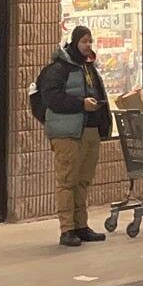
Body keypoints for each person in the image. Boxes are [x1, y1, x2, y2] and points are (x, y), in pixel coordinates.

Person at [40, 25, 113, 246]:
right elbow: (52, 98)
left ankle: (81, 225)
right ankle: (67, 229)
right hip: (68, 133)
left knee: (83, 181)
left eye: (90, 41)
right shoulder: (59, 68)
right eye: (84, 41)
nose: (88, 45)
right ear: (74, 42)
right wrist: (81, 104)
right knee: (67, 181)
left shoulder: (88, 68)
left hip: (90, 130)